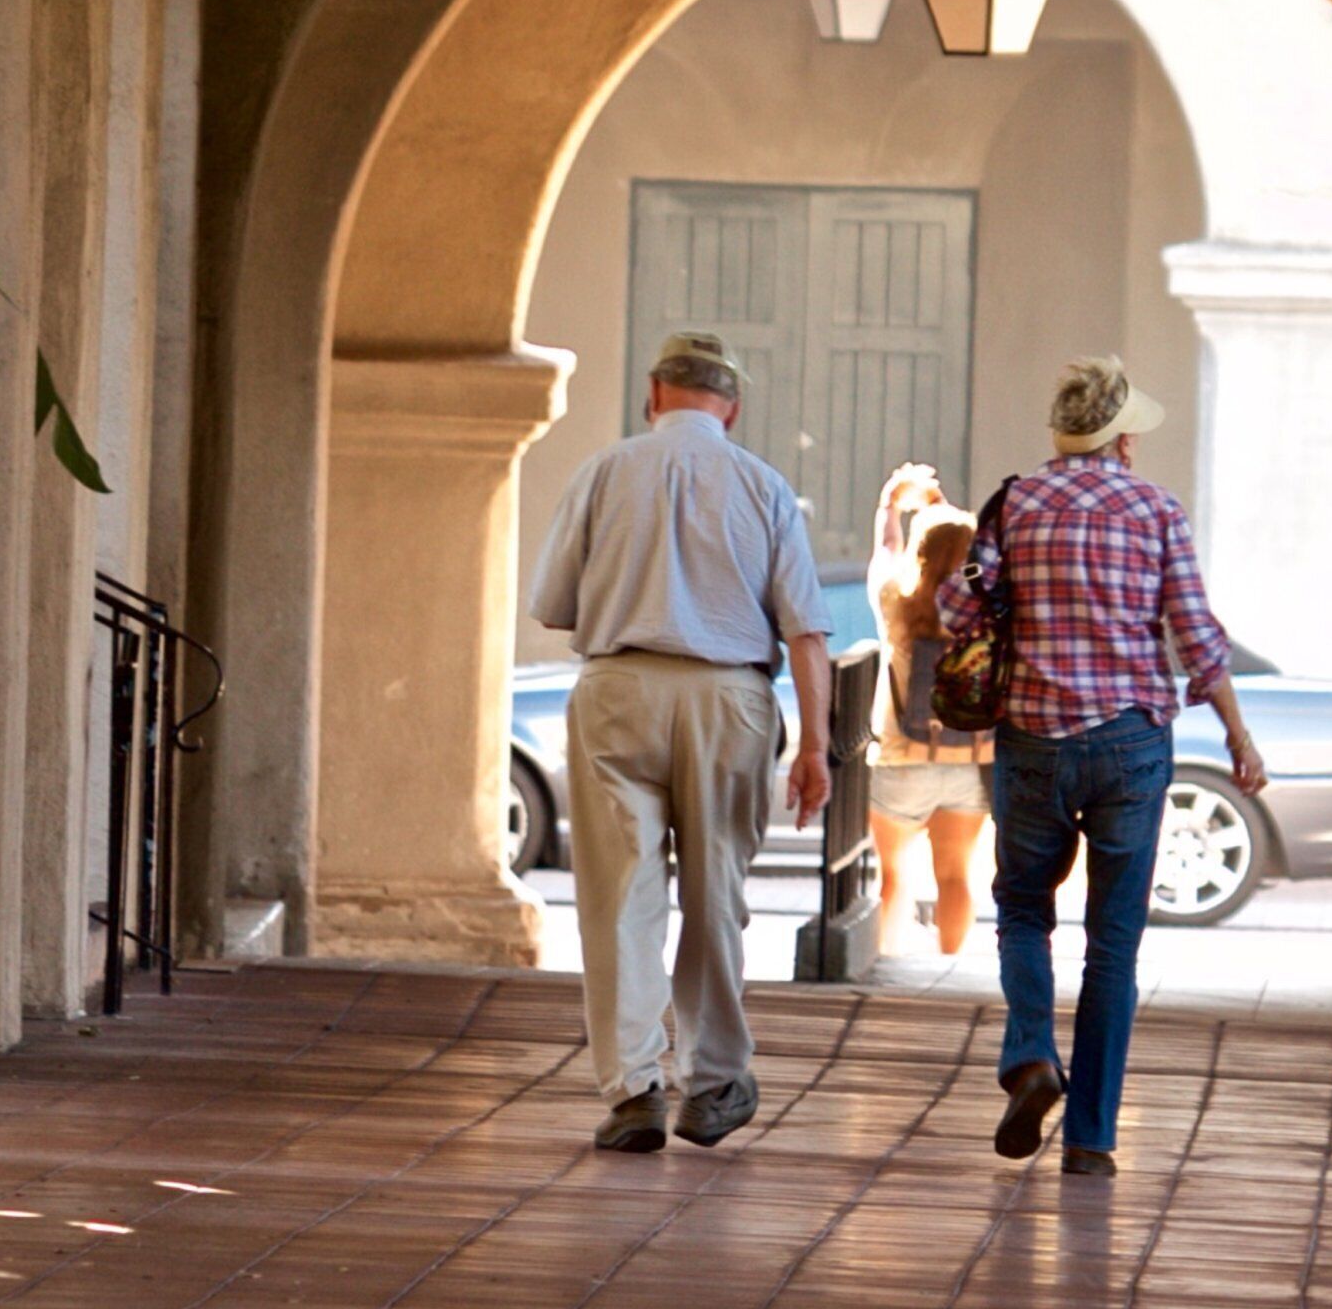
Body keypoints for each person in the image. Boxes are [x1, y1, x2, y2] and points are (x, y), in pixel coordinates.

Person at [941, 359, 1266, 1177]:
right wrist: (1238, 736)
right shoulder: (1156, 509)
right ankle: (1091, 1140)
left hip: (1033, 739)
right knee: (1113, 945)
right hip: (1130, 743)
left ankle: (1030, 1058)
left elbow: (955, 608)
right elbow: (1195, 633)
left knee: (1022, 907)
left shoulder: (1013, 505)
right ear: (1123, 439)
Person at [526, 332, 833, 1152]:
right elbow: (806, 630)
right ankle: (714, 1080)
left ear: (654, 395)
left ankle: (634, 1091)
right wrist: (815, 747)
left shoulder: (603, 470)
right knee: (716, 892)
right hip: (729, 697)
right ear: (731, 406)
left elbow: (553, 605)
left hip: (618, 687)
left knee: (621, 898)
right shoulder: (764, 484)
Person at [864, 466, 992, 956]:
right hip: (969, 762)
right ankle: (949, 969)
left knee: (893, 879)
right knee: (955, 877)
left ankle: (887, 964)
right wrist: (943, 504)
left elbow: (885, 554)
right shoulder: (985, 611)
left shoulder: (897, 602)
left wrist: (891, 506)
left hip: (901, 758)